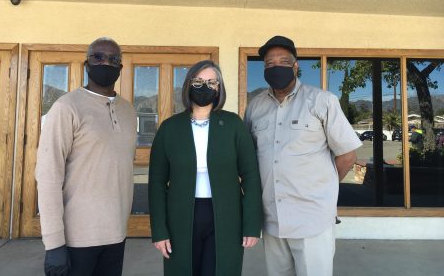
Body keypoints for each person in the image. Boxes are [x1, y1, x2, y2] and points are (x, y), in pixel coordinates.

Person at [244, 36, 362, 276]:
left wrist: (323, 187)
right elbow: (248, 158)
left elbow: (347, 155)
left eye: (283, 61)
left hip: (312, 219)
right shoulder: (255, 107)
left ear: (296, 66)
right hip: (272, 219)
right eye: (269, 64)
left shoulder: (322, 101)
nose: (276, 67)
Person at [149, 60, 262, 276]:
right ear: (189, 84)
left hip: (226, 217)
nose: (205, 87)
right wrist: (159, 230)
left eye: (211, 82)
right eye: (199, 81)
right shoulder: (170, 128)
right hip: (180, 217)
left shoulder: (233, 125)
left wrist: (251, 224)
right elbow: (156, 182)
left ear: (219, 88)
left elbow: (250, 176)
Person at [35, 37, 137, 276]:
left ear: (120, 68)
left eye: (113, 59)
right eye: (98, 57)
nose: (106, 62)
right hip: (76, 240)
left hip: (116, 234)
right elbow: (48, 176)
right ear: (87, 64)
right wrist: (54, 243)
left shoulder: (129, 111)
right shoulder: (66, 107)